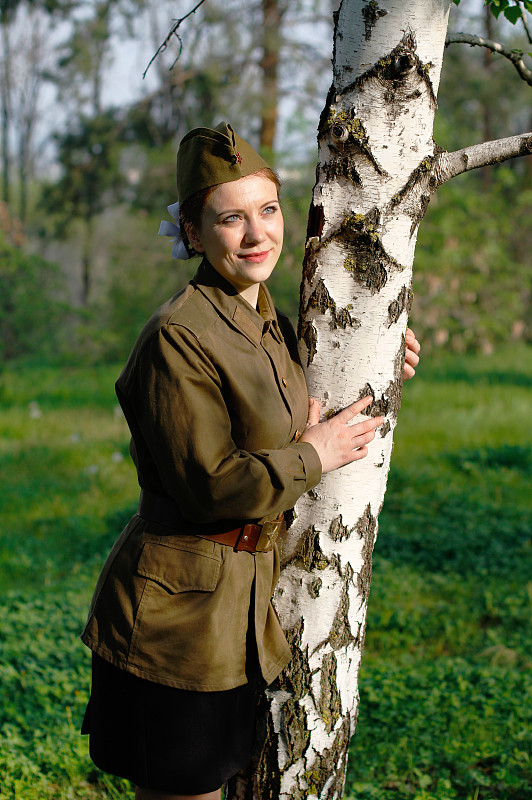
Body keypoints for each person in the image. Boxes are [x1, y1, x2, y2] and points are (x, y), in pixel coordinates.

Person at [80, 122, 420, 800]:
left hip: (236, 610)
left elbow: (284, 422)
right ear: (193, 233)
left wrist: (380, 361)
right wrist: (313, 454)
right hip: (178, 620)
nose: (256, 233)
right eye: (229, 218)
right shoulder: (180, 336)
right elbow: (211, 486)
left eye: (267, 209)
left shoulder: (266, 320)